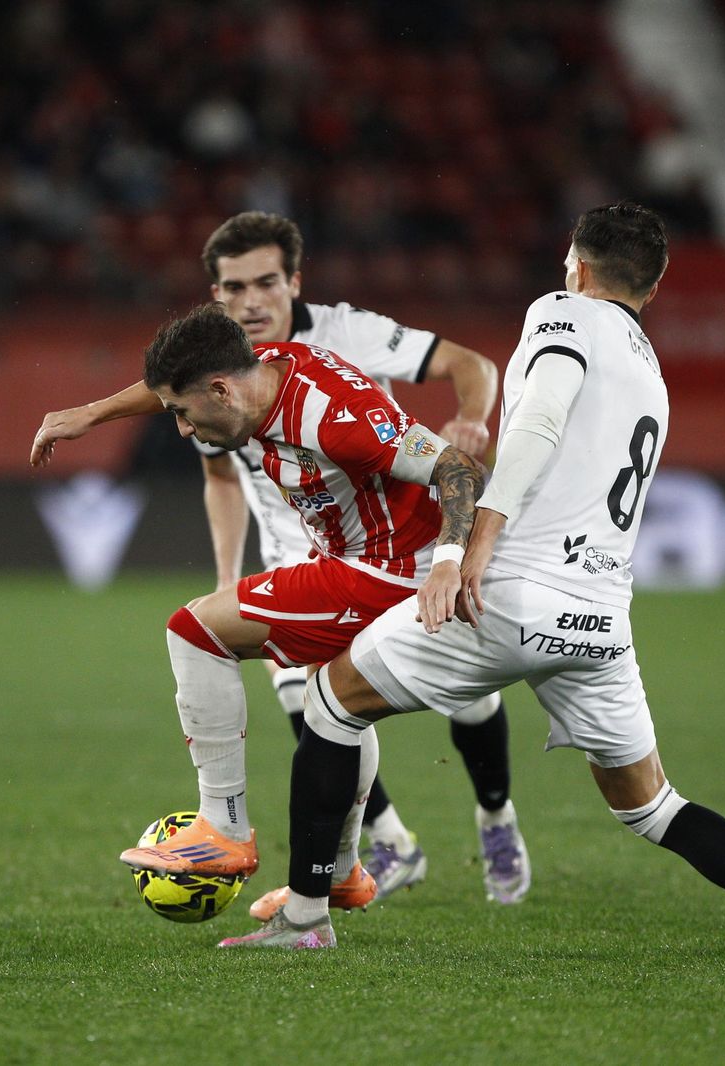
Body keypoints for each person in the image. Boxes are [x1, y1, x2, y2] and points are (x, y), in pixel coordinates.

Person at [220, 203, 725, 952]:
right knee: (652, 805)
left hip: (518, 594)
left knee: (328, 701)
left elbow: (537, 422)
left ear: (575, 264)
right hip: (601, 620)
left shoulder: (562, 313)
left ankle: (308, 917)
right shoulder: (651, 373)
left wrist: (462, 553)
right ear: (655, 286)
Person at [33, 302, 486, 924]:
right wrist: (92, 413)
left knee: (194, 632)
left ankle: (223, 827)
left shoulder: (337, 415)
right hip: (359, 559)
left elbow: (458, 467)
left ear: (221, 391)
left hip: (389, 570)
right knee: (336, 704)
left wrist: (449, 562)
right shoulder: (259, 370)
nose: (185, 431)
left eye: (184, 415)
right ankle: (343, 874)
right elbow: (180, 379)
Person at [194, 212, 525, 904]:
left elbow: (474, 365)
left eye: (265, 282)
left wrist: (471, 419)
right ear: (216, 295)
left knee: (468, 703)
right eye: (233, 288)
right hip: (298, 558)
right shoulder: (215, 372)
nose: (251, 301)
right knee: (308, 702)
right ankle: (386, 843)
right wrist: (228, 578)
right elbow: (221, 476)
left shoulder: (348, 334)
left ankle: (495, 816)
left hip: (392, 547)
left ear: (295, 282)